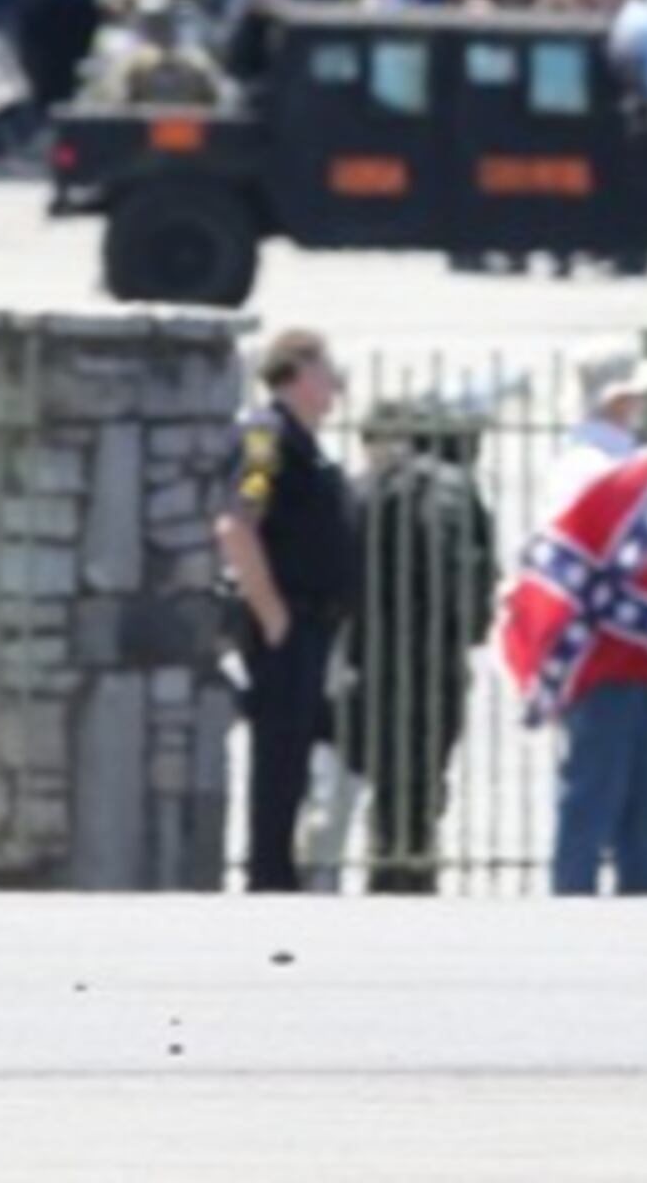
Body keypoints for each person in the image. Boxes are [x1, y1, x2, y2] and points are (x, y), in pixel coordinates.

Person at [217, 329, 359, 894]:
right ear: (296, 372)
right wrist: (273, 614)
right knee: (278, 760)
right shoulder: (264, 439)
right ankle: (269, 878)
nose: (336, 388)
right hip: (286, 627)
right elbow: (236, 525)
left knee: (302, 756)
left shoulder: (304, 441)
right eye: (327, 374)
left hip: (315, 625)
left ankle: (285, 873)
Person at [542, 358, 647, 898]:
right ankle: (573, 898)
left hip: (621, 640)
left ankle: (642, 898)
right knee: (596, 784)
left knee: (639, 791)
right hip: (604, 640)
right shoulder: (594, 463)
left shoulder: (598, 458)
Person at [344, 395, 498, 894]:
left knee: (387, 785)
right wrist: (466, 629)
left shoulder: (365, 488)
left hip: (373, 658)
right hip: (437, 660)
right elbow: (476, 582)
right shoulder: (455, 489)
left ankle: (389, 870)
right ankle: (414, 873)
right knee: (425, 785)